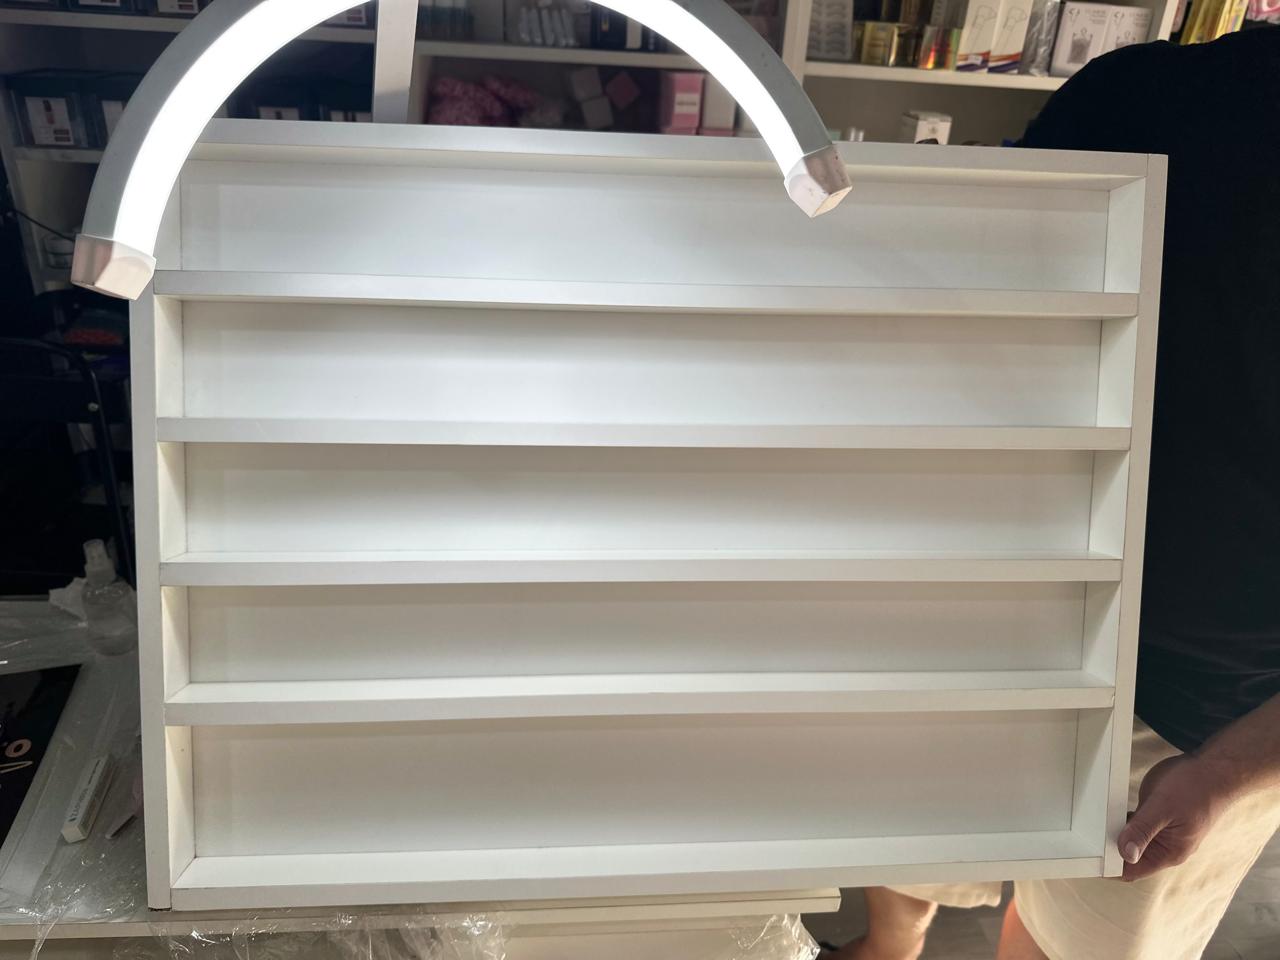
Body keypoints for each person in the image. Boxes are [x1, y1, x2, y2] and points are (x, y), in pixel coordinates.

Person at [824, 25, 1280, 960]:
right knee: (914, 853)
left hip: (1203, 710)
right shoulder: (1142, 91)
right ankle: (889, 949)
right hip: (1003, 602)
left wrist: (1233, 771)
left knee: (1075, 935)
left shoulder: (1140, 86)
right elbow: (982, 299)